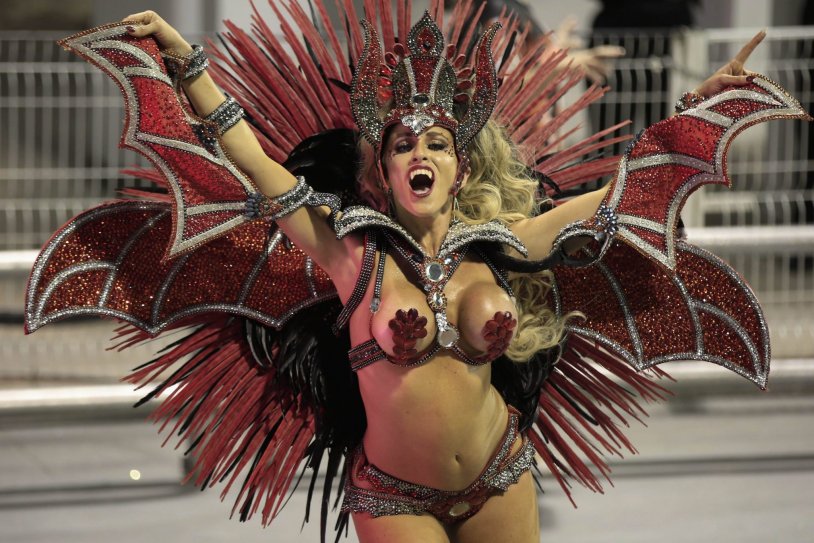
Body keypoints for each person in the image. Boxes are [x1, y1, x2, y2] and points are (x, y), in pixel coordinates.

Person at [27, 3, 804, 542]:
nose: (420, 153)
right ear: (382, 172)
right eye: (402, 144)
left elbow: (620, 195)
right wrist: (185, 62)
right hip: (395, 496)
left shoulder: (503, 241)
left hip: (502, 474)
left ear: (460, 165)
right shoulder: (349, 253)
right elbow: (255, 160)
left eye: (435, 143)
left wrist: (694, 118)